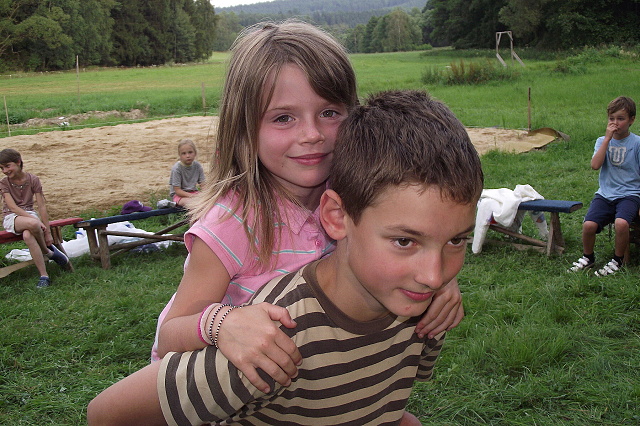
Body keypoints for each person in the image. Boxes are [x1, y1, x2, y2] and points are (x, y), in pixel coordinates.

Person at [87, 89, 484, 426]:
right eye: (405, 242)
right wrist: (221, 323)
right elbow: (108, 413)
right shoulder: (272, 340)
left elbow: (381, 406)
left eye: (456, 241)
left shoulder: (428, 308)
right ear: (336, 217)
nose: (434, 276)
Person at [150, 20, 465, 396]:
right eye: (283, 118)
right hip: (228, 400)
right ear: (244, 129)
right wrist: (222, 324)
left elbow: (416, 240)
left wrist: (439, 281)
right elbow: (170, 336)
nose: (312, 134)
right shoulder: (231, 224)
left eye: (330, 112)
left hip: (321, 383)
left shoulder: (358, 197)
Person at [568, 96, 640, 276]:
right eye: (611, 118)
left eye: (621, 119)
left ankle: (618, 260)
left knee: (621, 223)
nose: (615, 123)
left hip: (630, 194)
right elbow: (595, 165)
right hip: (605, 194)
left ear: (631, 120)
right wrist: (607, 139)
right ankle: (588, 257)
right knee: (588, 225)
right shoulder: (602, 141)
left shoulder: (637, 143)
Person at [0, 148, 69, 288]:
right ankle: (48, 252)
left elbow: (42, 206)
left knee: (28, 236)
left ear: (18, 162)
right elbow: (13, 208)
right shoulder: (4, 183)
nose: (5, 171)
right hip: (12, 217)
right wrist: (36, 222)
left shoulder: (33, 180)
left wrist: (47, 232)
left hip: (30, 214)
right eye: (1, 168)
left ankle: (44, 276)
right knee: (32, 224)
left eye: (7, 166)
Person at [168, 139, 205, 207]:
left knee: (207, 201)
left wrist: (205, 194)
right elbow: (177, 190)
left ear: (195, 153)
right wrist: (192, 196)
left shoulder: (197, 166)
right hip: (179, 196)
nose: (187, 156)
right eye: (184, 153)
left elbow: (203, 184)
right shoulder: (177, 168)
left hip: (194, 192)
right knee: (193, 203)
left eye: (190, 152)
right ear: (179, 155)